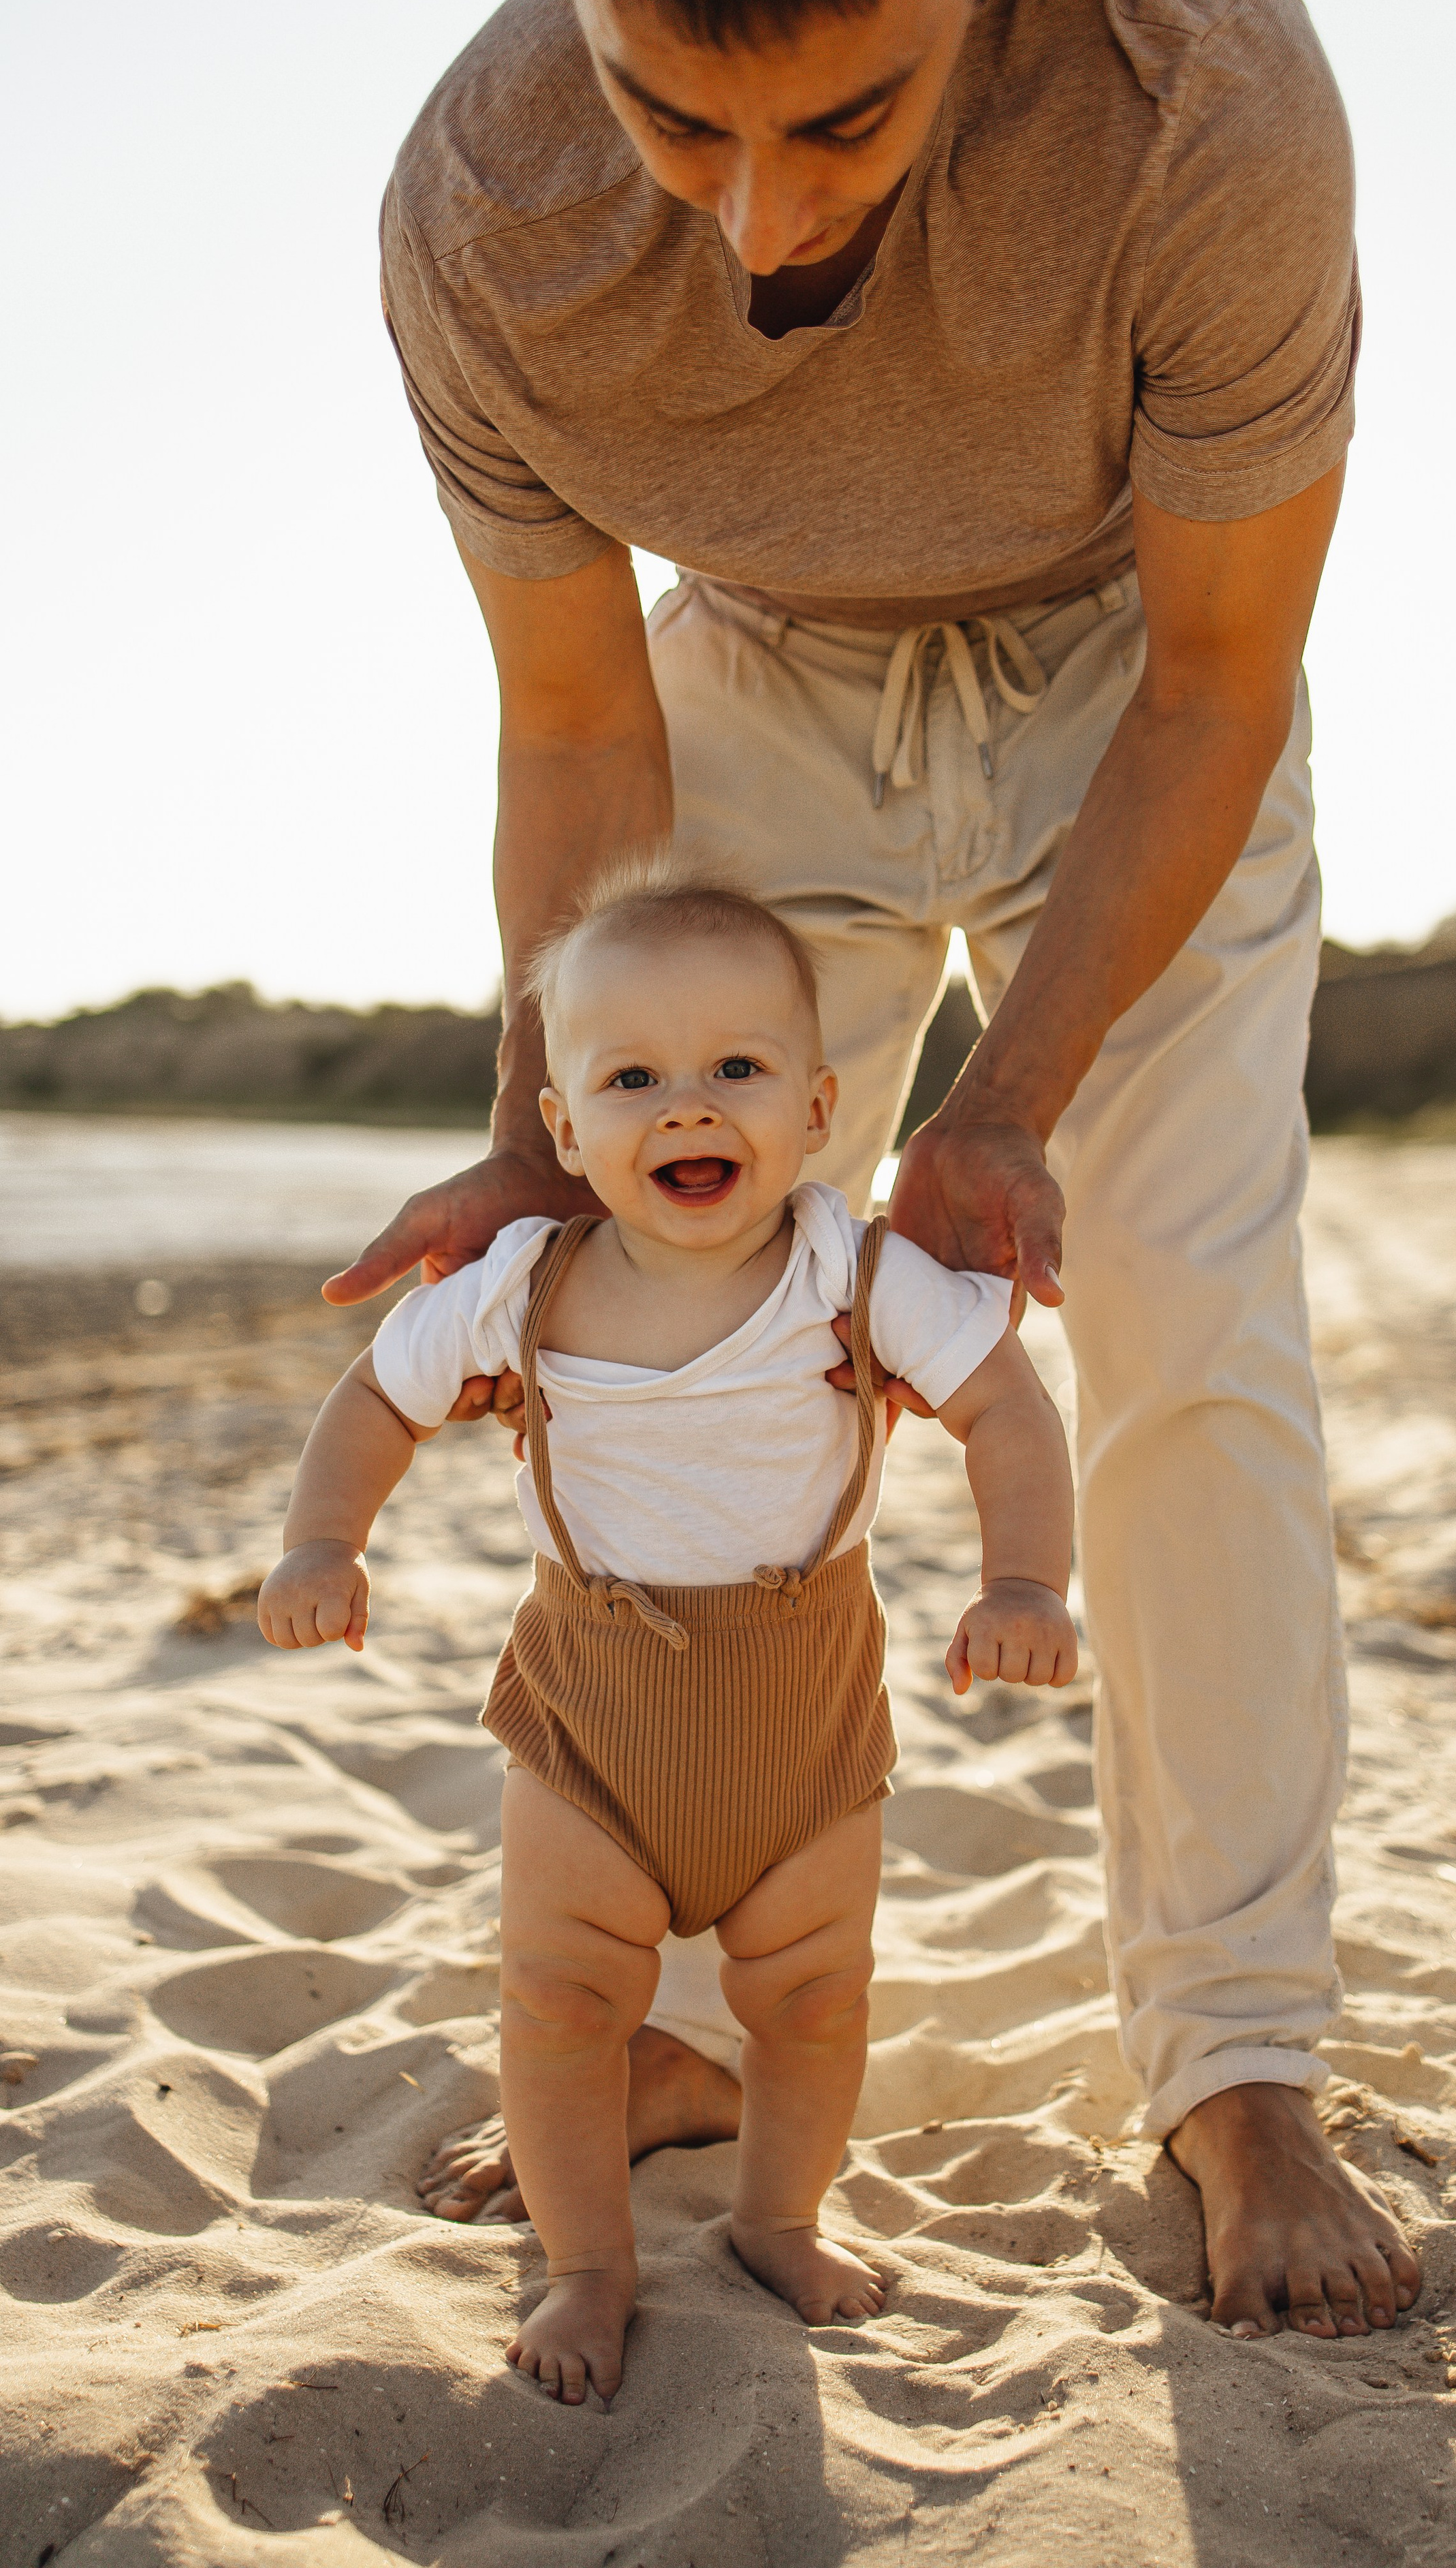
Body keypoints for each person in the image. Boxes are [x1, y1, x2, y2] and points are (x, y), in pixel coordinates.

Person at [331, 0, 1425, 2340]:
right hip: (752, 687)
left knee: (1186, 1326)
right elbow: (571, 715)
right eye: (671, 121)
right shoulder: (491, 198)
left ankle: (1238, 2064)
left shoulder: (1199, 97)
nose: (745, 229)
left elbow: (1224, 675)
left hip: (1125, 683)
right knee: (681, 1332)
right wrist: (538, 1143)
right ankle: (696, 2023)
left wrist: (1003, 1101)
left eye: (837, 128)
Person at [262, 871, 1077, 2401]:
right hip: (592, 1726)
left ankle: (777, 2218)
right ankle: (588, 2265)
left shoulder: (856, 1273)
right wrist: (325, 1540)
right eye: (632, 1078)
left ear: (821, 1107)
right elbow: (376, 1397)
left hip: (807, 1726)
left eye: (735, 1071)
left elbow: (1002, 1412)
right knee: (560, 2005)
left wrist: (1021, 1582)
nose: (685, 1108)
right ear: (563, 1132)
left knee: (814, 2000)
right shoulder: (528, 1285)